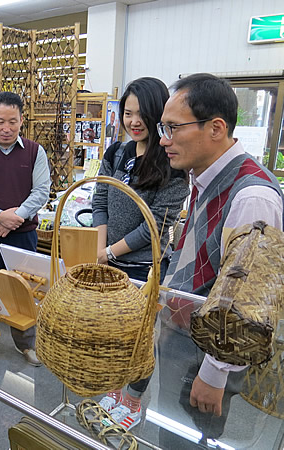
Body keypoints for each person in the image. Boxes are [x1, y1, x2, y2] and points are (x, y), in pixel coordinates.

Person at [158, 73, 283, 444]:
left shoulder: (251, 196)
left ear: (216, 128)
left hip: (206, 352)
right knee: (170, 434)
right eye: (163, 127)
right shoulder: (203, 178)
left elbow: (249, 303)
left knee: (189, 438)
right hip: (180, 336)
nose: (164, 140)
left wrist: (215, 374)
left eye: (174, 128)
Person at [92, 77, 190, 430]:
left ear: (157, 114)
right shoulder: (116, 153)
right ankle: (116, 388)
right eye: (127, 113)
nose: (134, 122)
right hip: (109, 260)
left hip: (144, 269)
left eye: (141, 114)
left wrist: (110, 252)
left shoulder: (171, 163)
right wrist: (100, 248)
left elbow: (156, 227)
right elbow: (99, 198)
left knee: (139, 338)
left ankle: (133, 400)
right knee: (114, 333)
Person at [0, 91, 51, 366]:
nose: (6, 128)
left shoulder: (36, 152)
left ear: (22, 120)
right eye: (0, 121)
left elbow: (41, 192)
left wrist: (15, 218)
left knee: (23, 289)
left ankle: (25, 342)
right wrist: (0, 217)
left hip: (24, 235)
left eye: (13, 122)